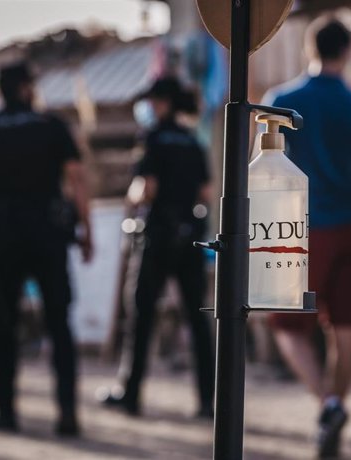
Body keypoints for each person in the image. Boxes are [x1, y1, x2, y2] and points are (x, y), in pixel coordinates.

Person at [0, 61, 93, 435]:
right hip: (48, 234)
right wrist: (87, 231)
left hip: (3, 238)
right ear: (29, 87)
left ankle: (5, 411)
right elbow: (77, 180)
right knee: (59, 324)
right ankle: (67, 415)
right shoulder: (51, 126)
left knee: (2, 327)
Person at [262, 18, 351, 458]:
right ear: (348, 51)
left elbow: (265, 171)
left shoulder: (281, 100)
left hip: (300, 226)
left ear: (309, 48)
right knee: (346, 325)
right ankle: (336, 405)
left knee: (287, 325)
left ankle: (327, 403)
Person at [99, 77, 215, 419]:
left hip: (158, 235)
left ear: (161, 102)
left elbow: (147, 188)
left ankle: (131, 393)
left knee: (142, 316)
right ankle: (208, 399)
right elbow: (206, 193)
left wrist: (133, 196)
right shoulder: (193, 140)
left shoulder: (153, 138)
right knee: (198, 318)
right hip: (190, 236)